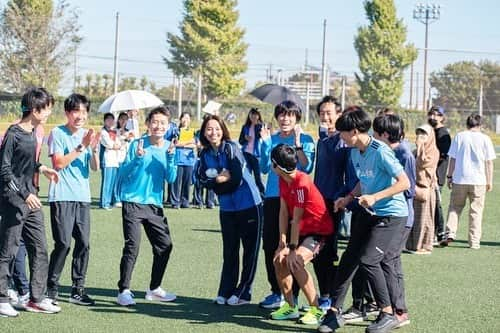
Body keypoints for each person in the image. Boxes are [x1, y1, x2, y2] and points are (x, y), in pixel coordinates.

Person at [318, 107, 409, 333]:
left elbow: (404, 183)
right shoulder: (354, 151)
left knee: (369, 260)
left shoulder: (380, 151)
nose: (341, 137)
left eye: (343, 133)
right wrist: (348, 198)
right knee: (349, 259)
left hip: (391, 215)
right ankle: (334, 313)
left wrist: (375, 197)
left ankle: (388, 313)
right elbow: (362, 181)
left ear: (355, 131)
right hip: (369, 213)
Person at [0, 87, 60, 317]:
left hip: (31, 199)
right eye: (46, 109)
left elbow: (25, 163)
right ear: (35, 109)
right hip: (14, 200)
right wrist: (24, 194)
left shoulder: (34, 132)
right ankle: (2, 297)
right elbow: (5, 170)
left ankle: (35, 298)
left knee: (40, 249)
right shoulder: (13, 133)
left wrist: (42, 168)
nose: (49, 112)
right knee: (8, 250)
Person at [196, 114, 263, 306]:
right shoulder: (205, 154)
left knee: (250, 251)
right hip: (227, 208)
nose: (213, 132)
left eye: (217, 128)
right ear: (204, 132)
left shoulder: (232, 148)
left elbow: (236, 179)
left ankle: (244, 292)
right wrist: (218, 180)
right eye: (209, 129)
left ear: (223, 130)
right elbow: (200, 181)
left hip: (250, 205)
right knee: (230, 250)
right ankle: (225, 290)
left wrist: (217, 183)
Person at [116, 106, 177, 306]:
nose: (158, 126)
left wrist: (170, 158)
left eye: (163, 123)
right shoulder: (137, 144)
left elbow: (172, 177)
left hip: (154, 206)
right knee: (132, 247)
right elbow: (123, 174)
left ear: (168, 126)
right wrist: (138, 159)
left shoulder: (169, 146)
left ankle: (154, 288)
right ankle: (124, 291)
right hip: (132, 202)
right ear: (148, 124)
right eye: (155, 122)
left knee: (165, 246)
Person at [258, 100, 315, 309]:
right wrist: (264, 145)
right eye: (281, 114)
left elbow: (307, 167)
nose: (285, 119)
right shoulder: (269, 139)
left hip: (297, 200)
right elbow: (264, 168)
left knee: (293, 248)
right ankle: (277, 292)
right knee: (271, 246)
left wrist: (298, 142)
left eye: (290, 115)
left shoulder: (306, 139)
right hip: (273, 198)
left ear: (297, 118)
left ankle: (295, 295)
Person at [269, 143, 333, 325]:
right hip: (301, 230)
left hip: (318, 231)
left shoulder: (301, 183)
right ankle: (290, 307)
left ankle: (317, 309)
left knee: (294, 261)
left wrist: (292, 249)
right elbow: (283, 212)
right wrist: (282, 242)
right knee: (278, 260)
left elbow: (295, 219)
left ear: (276, 165)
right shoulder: (283, 179)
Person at [46, 93, 100, 306]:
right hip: (62, 196)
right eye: (76, 111)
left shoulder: (87, 134)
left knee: (84, 244)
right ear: (67, 113)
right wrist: (81, 147)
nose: (80, 116)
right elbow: (58, 163)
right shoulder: (57, 133)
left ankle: (77, 290)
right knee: (63, 244)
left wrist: (94, 150)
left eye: (84, 111)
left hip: (83, 198)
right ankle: (51, 288)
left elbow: (94, 167)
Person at [372, 114, 416, 327]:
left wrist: (383, 193)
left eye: (375, 133)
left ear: (385, 134)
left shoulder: (403, 153)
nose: (372, 136)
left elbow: (409, 188)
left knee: (390, 260)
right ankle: (387, 306)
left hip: (402, 216)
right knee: (387, 260)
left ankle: (399, 311)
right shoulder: (383, 151)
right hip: (385, 213)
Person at [312, 96, 353, 310]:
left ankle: (330, 297)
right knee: (316, 251)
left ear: (339, 114)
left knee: (328, 250)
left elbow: (347, 175)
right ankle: (325, 294)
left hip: (334, 203)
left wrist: (343, 198)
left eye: (329, 113)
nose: (325, 117)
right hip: (317, 202)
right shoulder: (322, 139)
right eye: (322, 113)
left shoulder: (344, 141)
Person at [440, 114, 495, 249]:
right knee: (476, 211)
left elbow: (452, 158)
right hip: (479, 180)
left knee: (455, 207)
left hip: (460, 178)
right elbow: (489, 162)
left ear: (467, 124)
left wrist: (449, 176)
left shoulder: (460, 136)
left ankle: (450, 233)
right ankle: (474, 241)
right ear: (480, 125)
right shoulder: (485, 139)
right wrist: (489, 180)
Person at [406, 124, 439, 254]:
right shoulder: (416, 151)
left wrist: (420, 147)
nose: (420, 137)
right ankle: (412, 244)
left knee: (425, 219)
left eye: (424, 134)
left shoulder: (433, 151)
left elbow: (422, 163)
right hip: (415, 187)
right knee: (414, 217)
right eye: (419, 133)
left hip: (426, 189)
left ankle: (423, 245)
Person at [427, 106, 451, 242]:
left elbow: (442, 155)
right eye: (431, 114)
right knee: (429, 203)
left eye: (437, 115)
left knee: (436, 203)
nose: (433, 117)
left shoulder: (443, 133)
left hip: (437, 174)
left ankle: (440, 232)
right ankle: (431, 231)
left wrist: (430, 166)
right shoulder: (430, 131)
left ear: (442, 117)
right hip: (427, 174)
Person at [238, 108, 266, 196]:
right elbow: (240, 141)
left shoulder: (261, 126)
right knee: (246, 176)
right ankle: (248, 195)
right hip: (246, 154)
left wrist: (260, 127)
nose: (253, 116)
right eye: (252, 114)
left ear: (258, 116)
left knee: (258, 178)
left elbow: (262, 137)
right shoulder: (245, 127)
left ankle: (263, 195)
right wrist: (245, 138)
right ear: (249, 115)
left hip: (256, 155)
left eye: (256, 114)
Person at [172, 112, 196, 209]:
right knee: (176, 181)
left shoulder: (192, 131)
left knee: (187, 182)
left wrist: (183, 144)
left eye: (188, 118)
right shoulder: (176, 131)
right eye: (184, 117)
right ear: (180, 119)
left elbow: (194, 144)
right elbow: (176, 143)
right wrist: (188, 142)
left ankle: (185, 201)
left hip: (189, 160)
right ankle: (175, 201)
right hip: (178, 158)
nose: (186, 120)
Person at [99, 112, 121, 210]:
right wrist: (115, 145)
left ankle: (111, 201)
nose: (110, 121)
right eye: (108, 120)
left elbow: (118, 144)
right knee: (106, 183)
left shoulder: (114, 132)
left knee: (112, 182)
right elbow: (109, 144)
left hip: (114, 160)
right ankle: (104, 203)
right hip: (106, 160)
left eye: (112, 120)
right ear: (105, 121)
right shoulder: (103, 132)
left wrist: (116, 145)